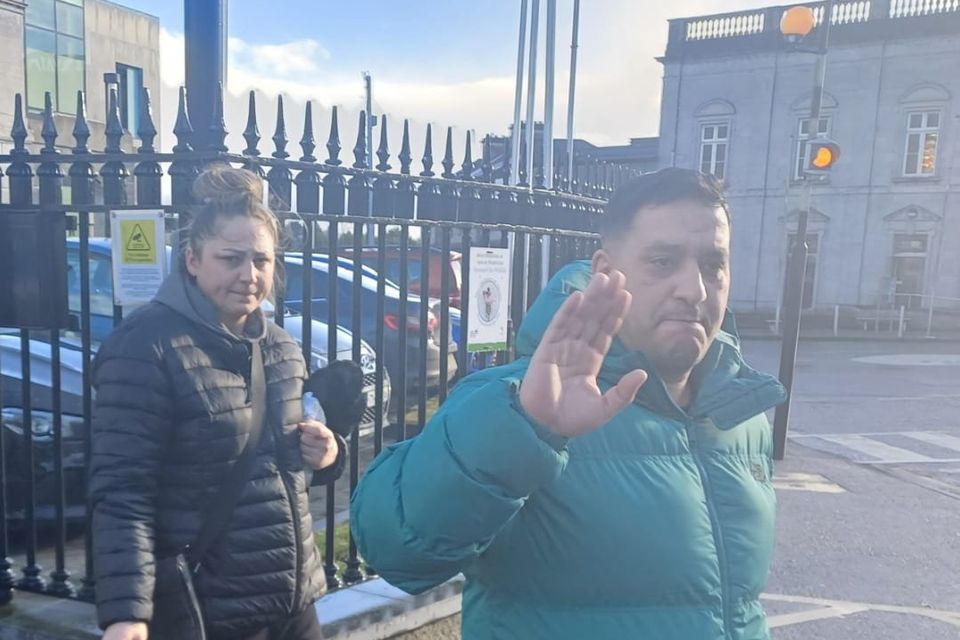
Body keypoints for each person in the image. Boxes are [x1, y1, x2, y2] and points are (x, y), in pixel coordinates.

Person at [351, 168, 788, 639]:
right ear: (605, 272)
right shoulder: (523, 402)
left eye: (713, 264)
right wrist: (525, 432)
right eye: (663, 262)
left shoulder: (738, 415)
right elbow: (395, 548)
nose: (695, 289)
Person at [90, 166, 345, 640]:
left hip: (292, 606)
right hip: (207, 610)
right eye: (230, 258)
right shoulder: (146, 346)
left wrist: (328, 454)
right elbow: (122, 490)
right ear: (192, 259)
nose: (249, 275)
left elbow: (285, 465)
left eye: (261, 260)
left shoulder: (283, 349)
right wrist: (127, 613)